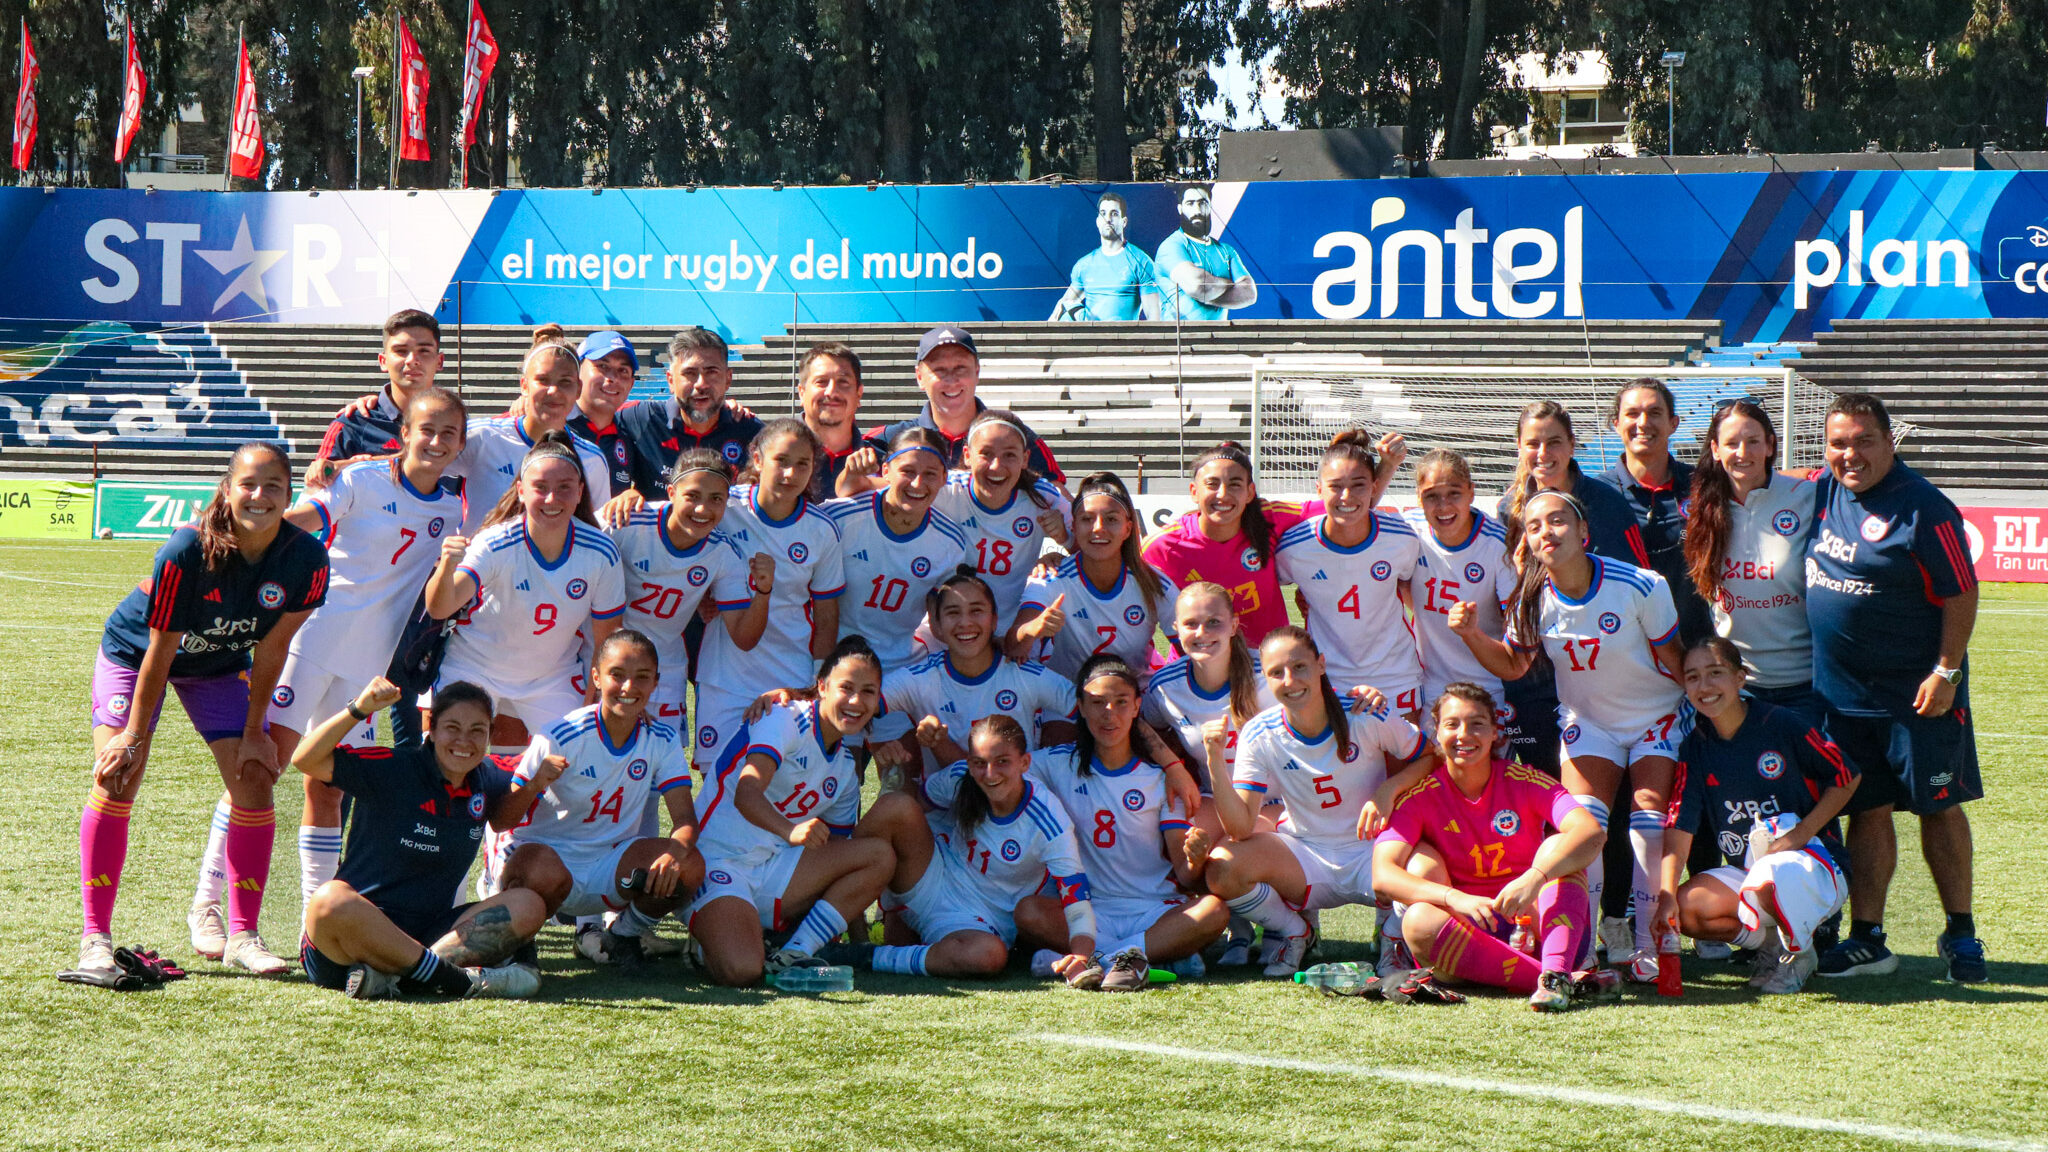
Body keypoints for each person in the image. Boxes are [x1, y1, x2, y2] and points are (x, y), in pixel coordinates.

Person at [186, 388, 467, 955]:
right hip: (308, 645)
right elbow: (301, 517)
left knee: (329, 787)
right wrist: (232, 530)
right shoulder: (360, 480)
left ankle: (314, 925)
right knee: (260, 773)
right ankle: (209, 906)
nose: (436, 443)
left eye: (449, 435)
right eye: (426, 430)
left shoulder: (450, 507)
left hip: (367, 671)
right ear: (405, 432)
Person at [69, 443, 328, 985]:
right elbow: (159, 652)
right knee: (118, 775)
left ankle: (242, 936)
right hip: (135, 655)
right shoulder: (187, 550)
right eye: (249, 485)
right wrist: (134, 736)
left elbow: (272, 652)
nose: (260, 497)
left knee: (255, 777)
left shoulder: (307, 559)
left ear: (289, 495)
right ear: (227, 489)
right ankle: (95, 937)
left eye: (273, 487)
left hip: (218, 666)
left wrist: (256, 732)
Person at [1451, 489, 1686, 981]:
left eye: (1557, 521)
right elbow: (1514, 665)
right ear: (1528, 543)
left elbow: (1676, 663)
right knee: (1584, 826)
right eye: (1535, 526)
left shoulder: (1641, 586)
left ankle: (1645, 943)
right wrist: (1472, 634)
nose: (1546, 532)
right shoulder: (1531, 599)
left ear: (1583, 532)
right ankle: (1579, 947)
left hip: (1655, 716)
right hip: (1590, 722)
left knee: (1646, 822)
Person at [1804, 392, 1985, 983]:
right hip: (1841, 696)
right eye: (1838, 443)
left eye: (1863, 441)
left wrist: (1946, 672)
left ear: (1889, 441)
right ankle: (1868, 937)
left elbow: (1962, 593)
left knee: (1939, 807)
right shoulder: (1823, 489)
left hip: (1918, 694)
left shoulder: (1924, 508)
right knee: (1867, 809)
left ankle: (1961, 933)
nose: (1849, 454)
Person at [1186, 626, 1435, 977]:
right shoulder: (1259, 732)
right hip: (1307, 857)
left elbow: (1430, 757)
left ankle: (1392, 937)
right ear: (1266, 680)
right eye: (1276, 673)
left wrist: (1387, 790)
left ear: (1321, 664)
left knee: (1428, 870)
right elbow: (1240, 828)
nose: (1289, 680)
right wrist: (1214, 759)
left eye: (1299, 667)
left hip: (1374, 852)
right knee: (1224, 868)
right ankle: (1295, 931)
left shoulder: (1365, 712)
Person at [291, 677, 545, 999]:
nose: (464, 741)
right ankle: (458, 982)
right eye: (452, 727)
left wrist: (544, 774)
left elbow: (545, 757)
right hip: (351, 938)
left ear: (491, 735)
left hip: (432, 935)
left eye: (477, 731)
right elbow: (305, 759)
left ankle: (400, 978)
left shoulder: (488, 776)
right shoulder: (394, 767)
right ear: (432, 728)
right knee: (329, 901)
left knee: (528, 903)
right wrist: (358, 709)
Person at [1372, 683, 1610, 1011]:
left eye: (1477, 724)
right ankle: (1557, 980)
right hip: (1466, 933)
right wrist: (1455, 898)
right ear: (1436, 732)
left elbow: (1591, 832)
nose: (1464, 735)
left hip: (1538, 928)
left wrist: (1535, 878)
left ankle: (1555, 969)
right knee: (1417, 908)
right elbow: (1382, 877)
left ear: (1496, 733)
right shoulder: (1420, 796)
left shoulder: (1524, 779)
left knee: (1558, 847)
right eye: (1452, 724)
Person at [485, 630, 705, 967]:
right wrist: (534, 785)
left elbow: (685, 821)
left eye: (642, 678)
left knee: (690, 864)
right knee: (540, 872)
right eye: (617, 675)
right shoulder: (560, 734)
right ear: (596, 677)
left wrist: (674, 855)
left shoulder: (661, 738)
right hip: (546, 860)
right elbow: (502, 820)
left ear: (656, 682)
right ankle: (520, 939)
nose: (629, 688)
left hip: (608, 864)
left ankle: (623, 935)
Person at [690, 637, 896, 985]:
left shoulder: (846, 767)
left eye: (868, 692)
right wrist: (790, 831)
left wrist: (858, 938)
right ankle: (706, 940)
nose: (856, 701)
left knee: (878, 856)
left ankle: (797, 950)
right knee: (742, 970)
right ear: (822, 687)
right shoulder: (783, 718)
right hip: (718, 862)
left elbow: (840, 861)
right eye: (846, 688)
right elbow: (746, 792)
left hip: (775, 869)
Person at [1660, 638, 1860, 994]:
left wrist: (1800, 833)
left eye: (1715, 673)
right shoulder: (1695, 745)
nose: (1704, 687)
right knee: (1687, 908)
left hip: (1816, 865)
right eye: (1693, 677)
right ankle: (1771, 944)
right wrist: (1664, 895)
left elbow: (1847, 776)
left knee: (1770, 873)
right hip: (1750, 871)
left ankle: (1799, 953)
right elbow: (1680, 827)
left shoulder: (1780, 724)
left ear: (1740, 678)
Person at [839, 714, 1101, 985]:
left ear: (1024, 763)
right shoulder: (959, 778)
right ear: (969, 763)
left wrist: (1082, 956)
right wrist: (897, 771)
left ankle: (866, 956)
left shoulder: (1049, 817)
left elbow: (1076, 901)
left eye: (1002, 762)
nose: (989, 774)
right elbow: (911, 809)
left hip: (979, 924)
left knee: (988, 957)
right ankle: (842, 927)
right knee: (896, 805)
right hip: (930, 879)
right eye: (979, 763)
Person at [1019, 655, 1228, 990]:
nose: (1109, 714)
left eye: (1120, 703)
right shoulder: (1056, 764)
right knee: (1028, 911)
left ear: (1137, 708)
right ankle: (1145, 957)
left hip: (1154, 909)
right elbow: (1000, 773)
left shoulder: (1160, 778)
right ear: (1081, 708)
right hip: (1090, 911)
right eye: (1097, 703)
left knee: (1214, 911)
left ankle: (1096, 960)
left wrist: (1197, 855)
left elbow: (1186, 873)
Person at [425, 433, 625, 753]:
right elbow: (440, 607)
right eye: (540, 488)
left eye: (564, 488)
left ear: (580, 493)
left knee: (575, 763)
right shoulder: (495, 542)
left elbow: (605, 642)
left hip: (551, 676)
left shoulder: (601, 552)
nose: (551, 499)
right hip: (474, 666)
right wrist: (447, 567)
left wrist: (591, 704)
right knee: (448, 757)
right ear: (520, 490)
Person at [691, 419, 845, 763]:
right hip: (723, 673)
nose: (790, 473)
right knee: (716, 773)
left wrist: (817, 680)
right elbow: (682, 548)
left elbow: (826, 613)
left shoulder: (821, 530)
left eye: (802, 464)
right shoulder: (724, 507)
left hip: (789, 672)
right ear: (758, 460)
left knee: (782, 778)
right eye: (781, 461)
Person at [609, 450, 772, 731]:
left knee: (660, 765)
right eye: (692, 496)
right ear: (671, 492)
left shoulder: (722, 553)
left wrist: (764, 591)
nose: (702, 509)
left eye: (716, 499)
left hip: (664, 670)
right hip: (605, 659)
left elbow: (744, 638)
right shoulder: (626, 521)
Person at [1683, 398, 1822, 719]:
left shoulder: (1806, 496)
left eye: (1753, 441)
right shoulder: (1698, 509)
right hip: (1735, 685)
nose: (1742, 453)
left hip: (1806, 683)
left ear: (1770, 445)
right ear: (1716, 450)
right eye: (1731, 443)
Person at [1274, 430, 1425, 720]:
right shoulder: (1294, 548)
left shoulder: (1401, 538)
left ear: (1374, 486)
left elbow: (1407, 583)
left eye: (1358, 485)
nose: (1347, 497)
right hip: (1329, 677)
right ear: (1319, 490)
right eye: (1335, 486)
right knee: (1343, 763)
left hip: (1397, 673)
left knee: (1408, 761)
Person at [877, 568, 1078, 775]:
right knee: (900, 805)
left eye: (976, 611)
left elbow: (1092, 707)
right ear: (936, 624)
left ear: (994, 621)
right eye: (953, 613)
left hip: (1016, 804)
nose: (965, 623)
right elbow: (860, 700)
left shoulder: (1023, 674)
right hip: (944, 805)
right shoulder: (919, 679)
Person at [820, 427, 969, 674]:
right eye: (907, 471)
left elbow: (939, 616)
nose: (918, 483)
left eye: (930, 474)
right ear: (886, 471)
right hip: (831, 660)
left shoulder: (951, 542)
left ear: (944, 477)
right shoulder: (838, 518)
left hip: (901, 667)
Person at [1011, 472, 1175, 678]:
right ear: (1074, 527)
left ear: (1128, 528)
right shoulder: (1050, 578)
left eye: (1111, 519)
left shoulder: (1153, 583)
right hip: (1067, 699)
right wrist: (1031, 629)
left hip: (1132, 701)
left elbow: (1194, 646)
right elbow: (1013, 648)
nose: (1099, 528)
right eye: (1087, 519)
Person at [447, 334, 612, 536]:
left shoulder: (592, 459)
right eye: (543, 380)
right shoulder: (482, 437)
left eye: (565, 382)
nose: (553, 391)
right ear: (524, 385)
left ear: (578, 389)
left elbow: (597, 529)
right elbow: (417, 475)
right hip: (479, 566)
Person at [863, 325, 1064, 484]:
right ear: (919, 377)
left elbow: (1059, 504)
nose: (951, 380)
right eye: (939, 370)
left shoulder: (1019, 440)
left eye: (961, 368)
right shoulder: (883, 442)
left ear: (977, 372)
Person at [931, 409, 1073, 621]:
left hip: (1013, 630)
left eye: (1009, 455)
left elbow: (1095, 545)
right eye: (986, 454)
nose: (996, 466)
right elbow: (893, 490)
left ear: (1025, 459)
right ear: (967, 456)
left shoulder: (1043, 496)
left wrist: (1065, 539)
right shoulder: (944, 489)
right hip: (949, 630)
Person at [1600, 379, 1713, 646]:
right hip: (1624, 651)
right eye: (1632, 413)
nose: (1643, 423)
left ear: (1673, 423)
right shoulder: (1596, 494)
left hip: (1694, 649)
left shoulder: (1703, 484)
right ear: (1616, 424)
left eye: (1654, 413)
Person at [1404, 448, 1517, 708]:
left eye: (1454, 493)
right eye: (1431, 496)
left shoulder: (1498, 546)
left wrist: (1471, 632)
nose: (1443, 506)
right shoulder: (1407, 531)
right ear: (1419, 499)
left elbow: (1516, 627)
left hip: (1489, 684)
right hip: (1428, 681)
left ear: (1471, 492)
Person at [615, 327, 765, 499]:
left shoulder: (752, 433)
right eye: (690, 373)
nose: (701, 384)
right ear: (670, 380)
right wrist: (628, 493)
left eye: (711, 372)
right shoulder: (639, 418)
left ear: (728, 379)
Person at [305, 309, 444, 489]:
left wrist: (367, 465)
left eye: (424, 350)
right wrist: (341, 469)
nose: (412, 360)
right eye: (401, 351)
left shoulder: (457, 426)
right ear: (383, 361)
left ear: (439, 361)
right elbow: (316, 485)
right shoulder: (351, 424)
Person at [1051, 191, 1162, 322]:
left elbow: (1154, 317)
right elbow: (1063, 305)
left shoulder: (1141, 262)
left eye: (1114, 214)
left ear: (1124, 222)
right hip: (1091, 339)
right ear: (1098, 221)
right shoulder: (1084, 265)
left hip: (1124, 339)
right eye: (1103, 214)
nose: (1108, 219)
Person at [796, 342, 885, 501]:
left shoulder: (881, 463)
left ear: (859, 394)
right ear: (801, 393)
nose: (832, 391)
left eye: (843, 382)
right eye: (821, 382)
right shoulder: (770, 455)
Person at [1154, 183, 1256, 320]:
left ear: (1210, 206)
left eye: (1202, 203)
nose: (1197, 210)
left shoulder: (1226, 251)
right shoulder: (1171, 246)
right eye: (1190, 203)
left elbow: (1249, 294)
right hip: (1181, 339)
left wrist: (1207, 295)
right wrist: (1230, 284)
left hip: (1218, 339)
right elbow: (1199, 287)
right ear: (1180, 209)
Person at [568, 329, 644, 498]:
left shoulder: (630, 439)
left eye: (623, 370)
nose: (613, 378)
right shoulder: (553, 425)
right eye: (602, 366)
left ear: (631, 384)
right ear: (576, 371)